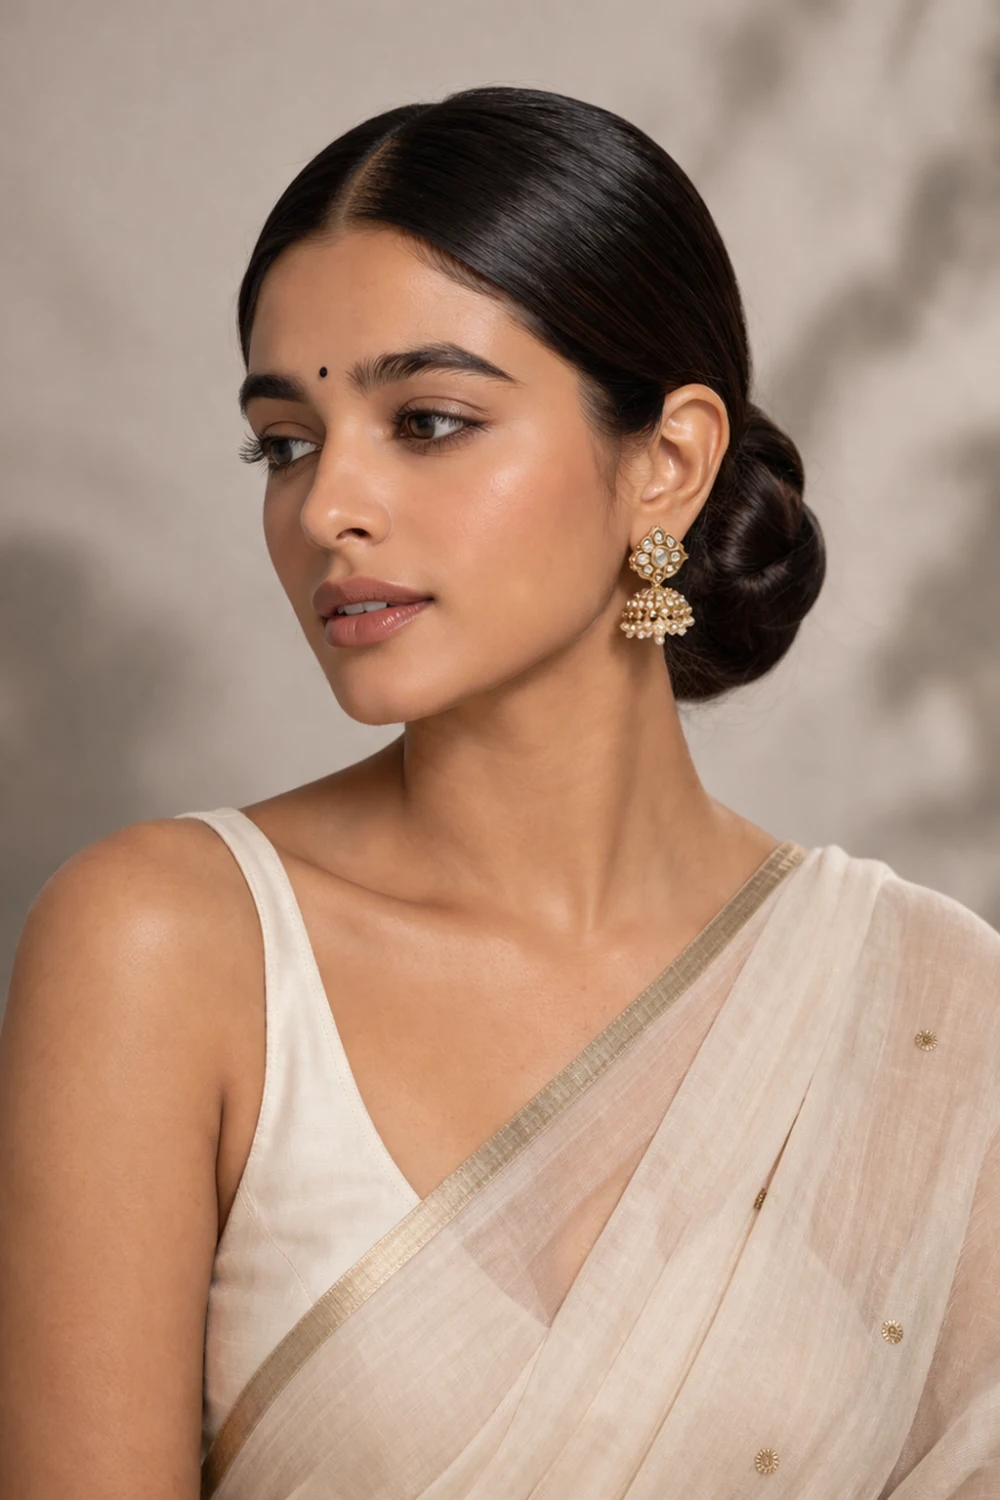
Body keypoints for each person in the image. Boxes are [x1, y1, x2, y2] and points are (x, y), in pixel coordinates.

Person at [0, 85, 997, 1500]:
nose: (326, 508)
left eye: (427, 420)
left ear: (667, 464)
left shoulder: (926, 1004)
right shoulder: (170, 948)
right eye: (285, 442)